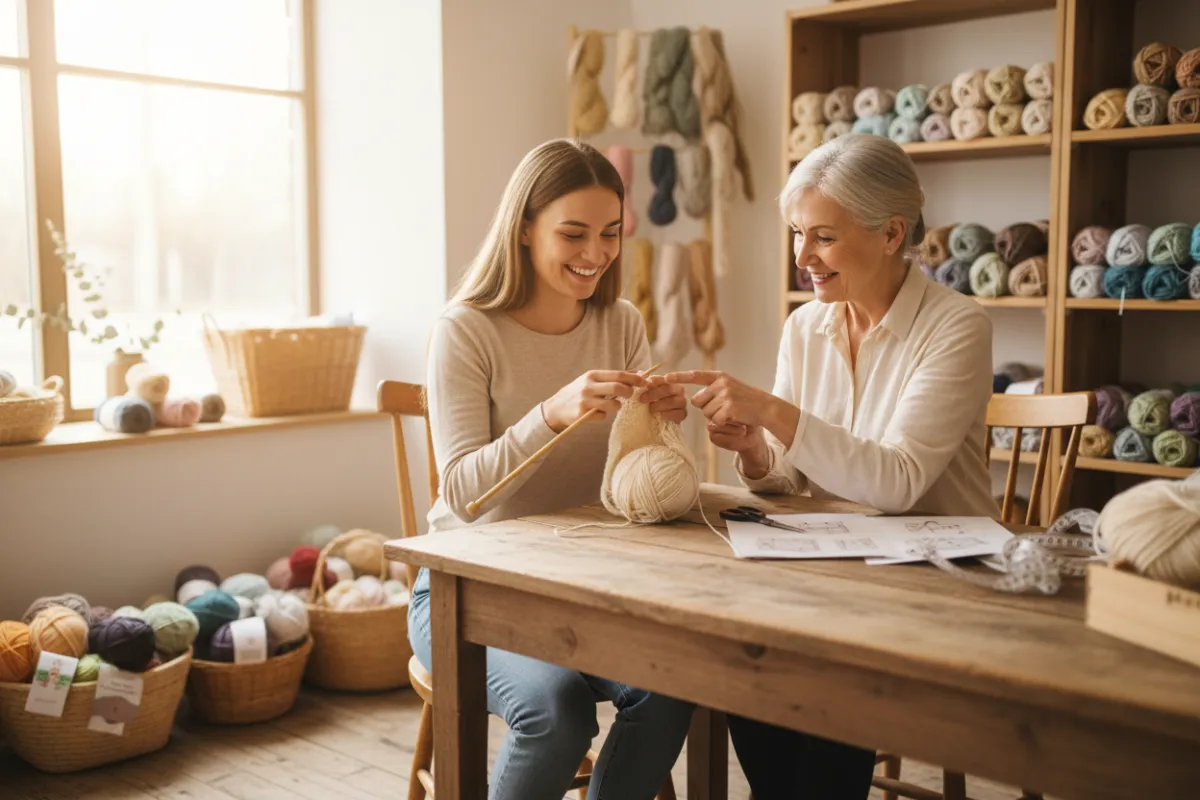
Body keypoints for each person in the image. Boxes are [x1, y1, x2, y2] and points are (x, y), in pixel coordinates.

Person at [668, 133, 999, 798]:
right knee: (743, 651)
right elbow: (790, 481)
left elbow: (898, 484)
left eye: (822, 237)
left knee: (821, 678)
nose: (802, 257)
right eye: (797, 234)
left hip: (937, 582)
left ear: (890, 233)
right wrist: (756, 449)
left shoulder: (958, 326)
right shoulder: (805, 328)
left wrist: (772, 411)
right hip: (837, 571)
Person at [410, 138, 694, 800]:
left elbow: (634, 476)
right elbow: (462, 495)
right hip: (466, 592)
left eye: (610, 233)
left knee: (673, 686)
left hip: (583, 584)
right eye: (573, 233)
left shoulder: (620, 322)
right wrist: (550, 415)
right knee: (555, 709)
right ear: (524, 229)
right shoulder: (466, 329)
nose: (595, 253)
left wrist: (668, 426)